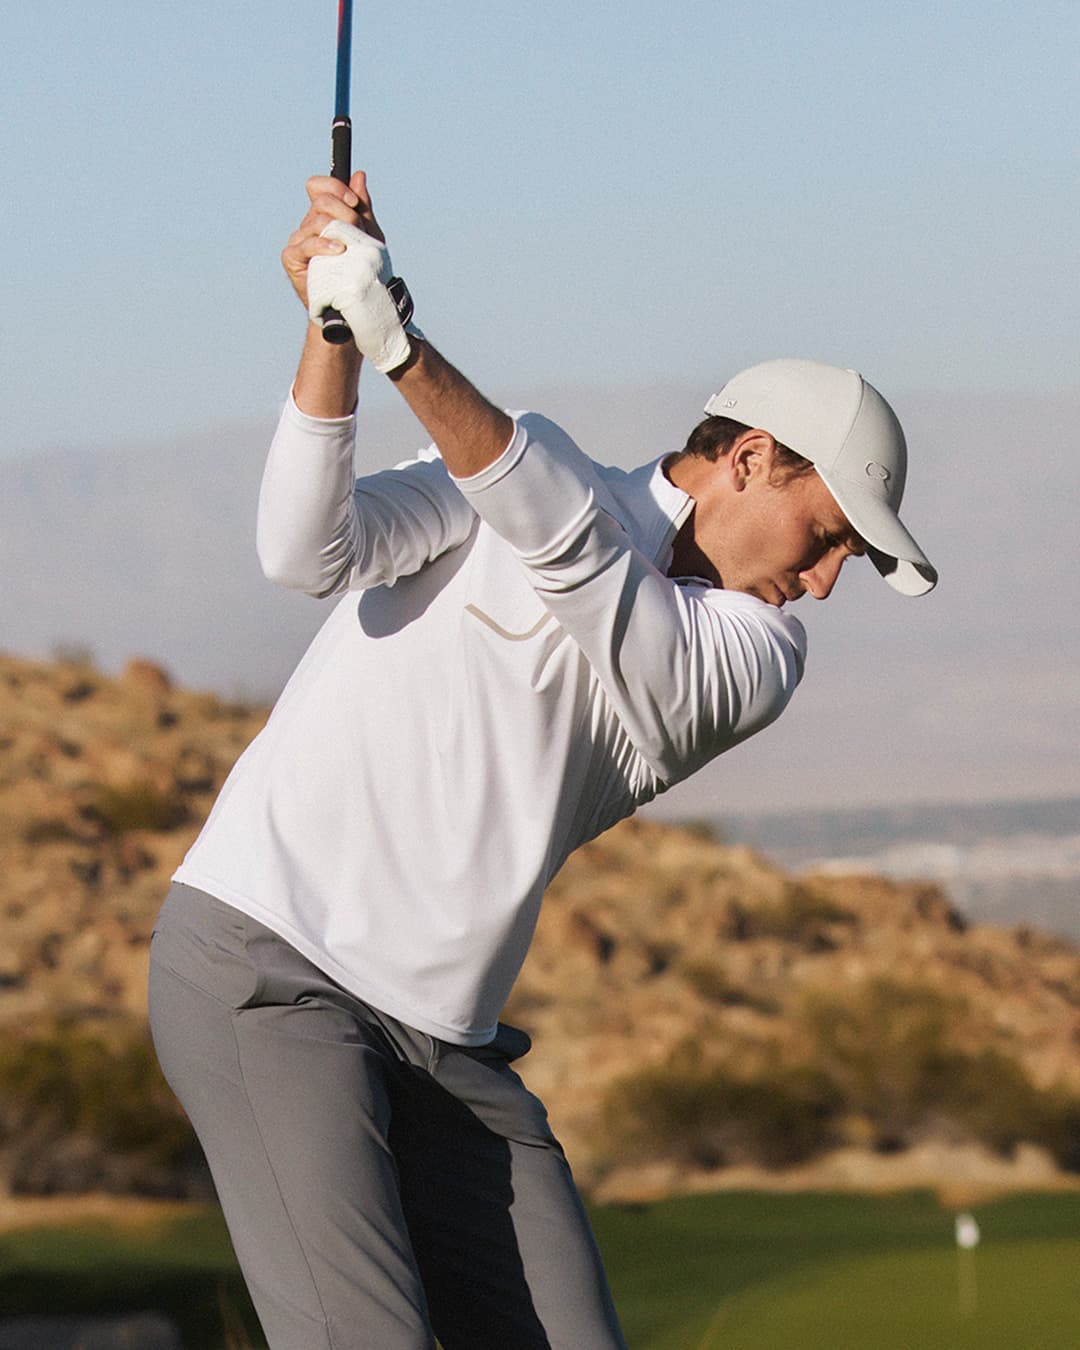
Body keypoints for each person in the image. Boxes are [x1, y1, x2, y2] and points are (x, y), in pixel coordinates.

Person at [148, 171, 937, 1350]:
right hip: (270, 964)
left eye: (851, 563)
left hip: (445, 1044)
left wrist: (400, 340)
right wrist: (336, 335)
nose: (825, 582)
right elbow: (304, 551)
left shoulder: (755, 656)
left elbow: (581, 564)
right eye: (829, 537)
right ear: (753, 457)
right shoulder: (518, 476)